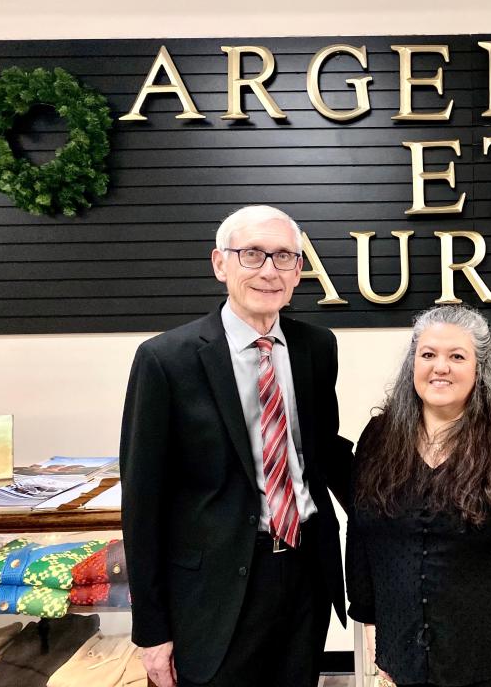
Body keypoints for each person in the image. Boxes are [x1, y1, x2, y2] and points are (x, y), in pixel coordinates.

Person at [119, 204, 353, 687]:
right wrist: (152, 630)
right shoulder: (166, 360)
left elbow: (324, 451)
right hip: (214, 590)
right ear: (220, 263)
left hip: (305, 572)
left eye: (284, 257)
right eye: (252, 255)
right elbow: (142, 503)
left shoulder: (317, 346)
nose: (269, 270)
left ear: (299, 271)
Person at [346, 305, 491, 687]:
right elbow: (362, 535)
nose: (440, 367)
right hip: (404, 656)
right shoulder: (379, 439)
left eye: (456, 356)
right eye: (428, 355)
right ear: (413, 364)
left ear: (480, 368)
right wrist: (370, 625)